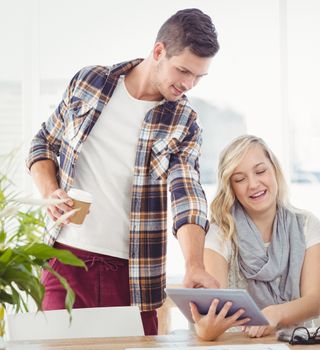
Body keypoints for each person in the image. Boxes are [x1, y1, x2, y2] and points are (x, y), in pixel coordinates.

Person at [25, 8, 220, 335]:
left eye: (198, 77)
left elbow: (187, 193)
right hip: (65, 258)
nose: (188, 84)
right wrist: (49, 191)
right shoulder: (89, 83)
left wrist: (195, 265)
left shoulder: (184, 121)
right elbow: (44, 142)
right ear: (159, 51)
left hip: (134, 276)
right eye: (183, 70)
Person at [189, 135, 320, 340]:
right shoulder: (220, 234)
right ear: (231, 187)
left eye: (260, 171)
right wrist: (206, 331)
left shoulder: (307, 224)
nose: (253, 184)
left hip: (295, 343)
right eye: (240, 179)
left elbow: (314, 303)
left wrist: (275, 313)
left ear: (274, 170)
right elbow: (213, 313)